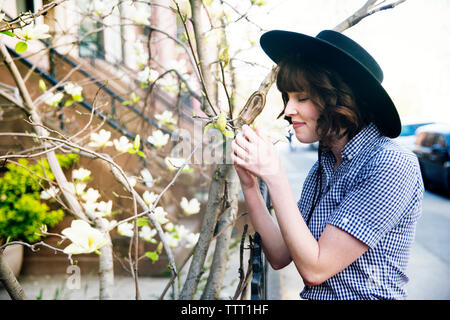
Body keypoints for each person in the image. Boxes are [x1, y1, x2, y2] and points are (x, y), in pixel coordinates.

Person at [231, 30, 424, 300]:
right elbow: (279, 255)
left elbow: (315, 269)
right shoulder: (323, 169)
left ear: (340, 100)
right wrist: (250, 183)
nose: (287, 110)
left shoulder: (390, 164)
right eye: (287, 97)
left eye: (302, 98)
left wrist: (275, 174)